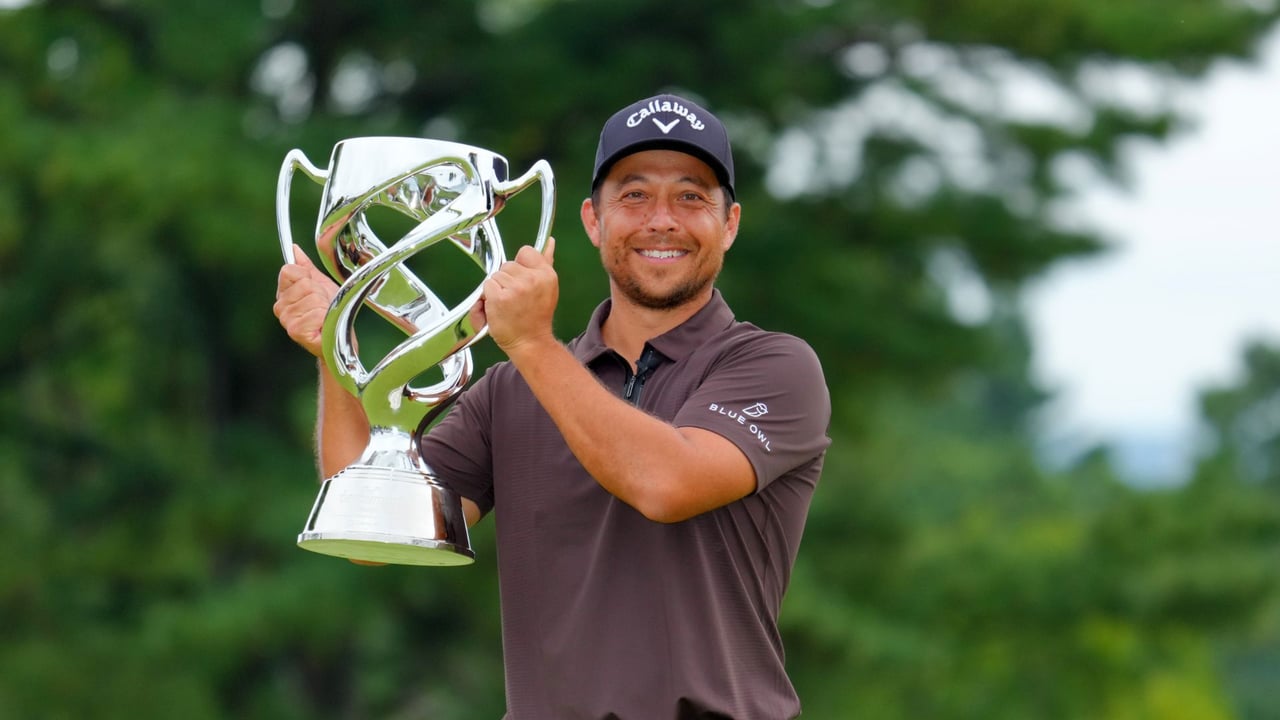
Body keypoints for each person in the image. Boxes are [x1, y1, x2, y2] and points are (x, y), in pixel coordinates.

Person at [274, 92, 831, 719]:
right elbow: (370, 534)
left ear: (728, 225)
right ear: (594, 220)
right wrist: (335, 347)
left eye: (692, 196)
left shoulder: (774, 366)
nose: (662, 220)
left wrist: (532, 343)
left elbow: (666, 483)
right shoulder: (511, 392)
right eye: (635, 195)